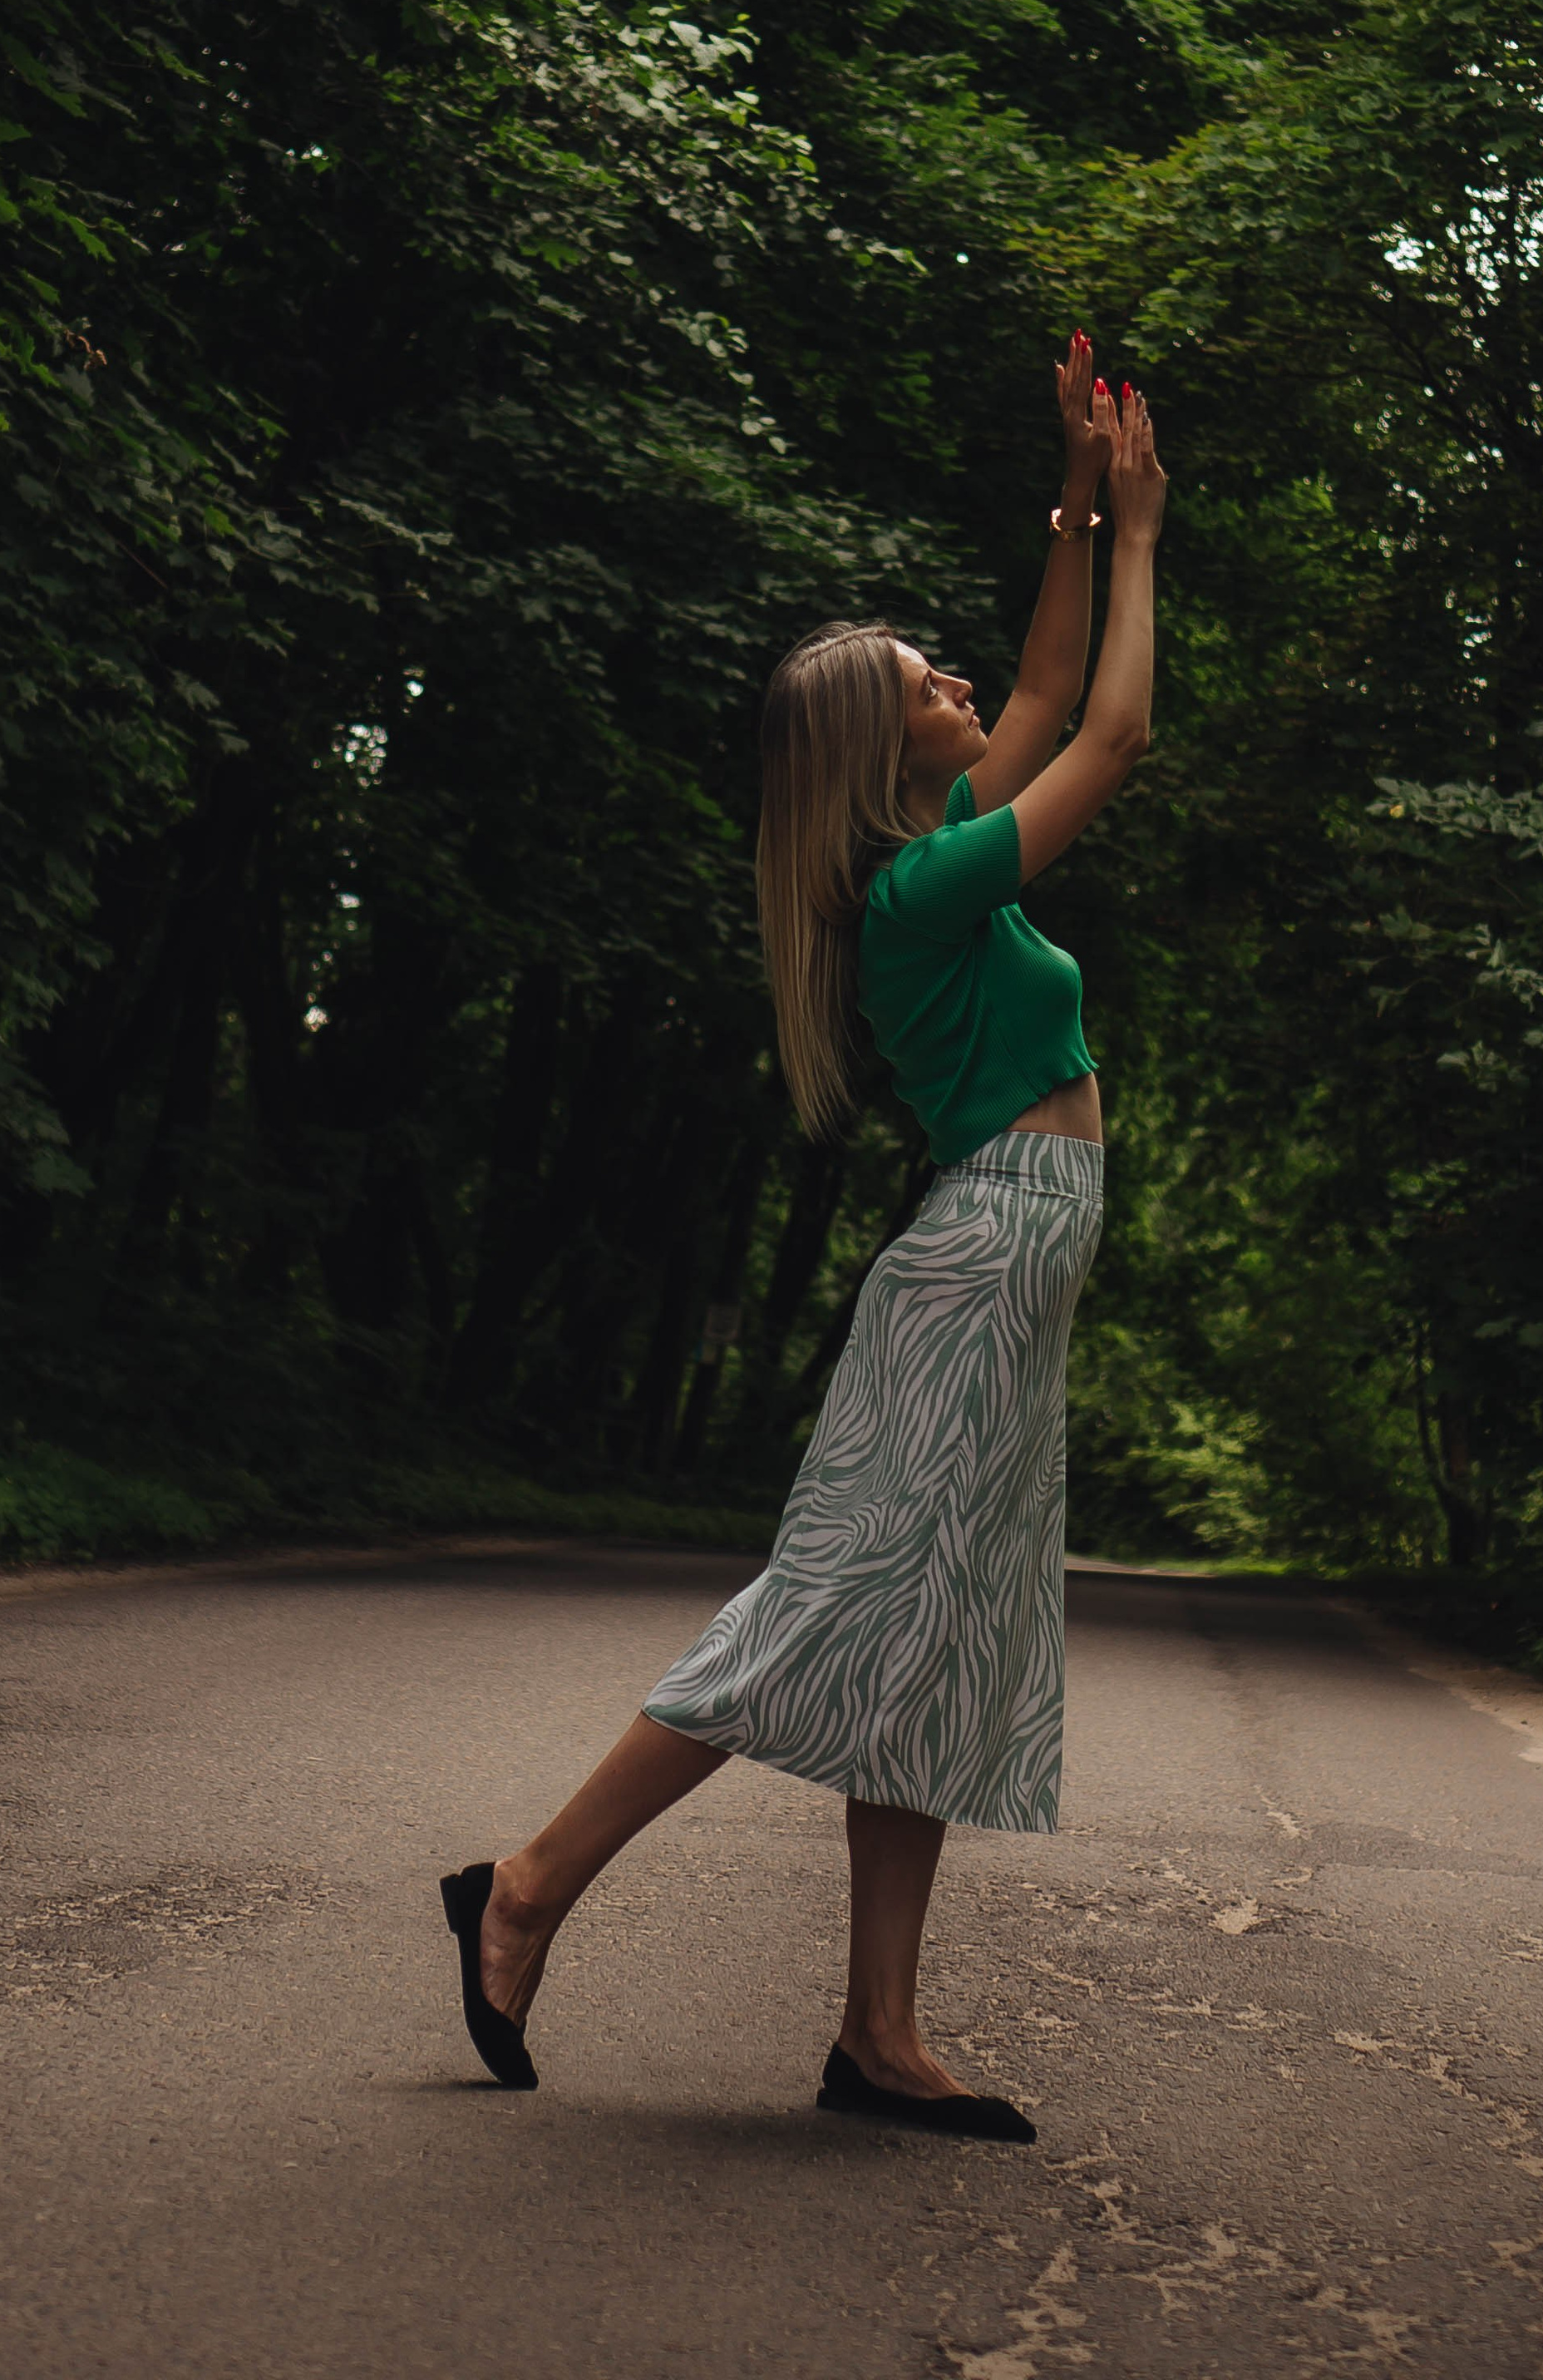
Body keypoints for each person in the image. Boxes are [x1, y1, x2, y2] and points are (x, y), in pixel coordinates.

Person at [440, 338, 1167, 2142]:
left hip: (1007, 1262)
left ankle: (875, 2035)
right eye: (923, 683)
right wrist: (1142, 531)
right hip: (981, 1263)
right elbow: (1113, 726)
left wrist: (1073, 490)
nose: (956, 681)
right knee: (828, 1616)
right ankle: (526, 1883)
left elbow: (1047, 674)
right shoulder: (920, 887)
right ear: (876, 744)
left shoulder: (931, 851)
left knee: (930, 1650)